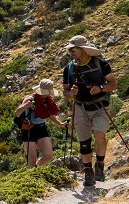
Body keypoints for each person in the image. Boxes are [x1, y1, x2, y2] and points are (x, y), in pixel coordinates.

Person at [62, 34, 117, 188]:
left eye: (74, 49)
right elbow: (65, 92)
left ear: (84, 50)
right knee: (84, 142)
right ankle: (88, 172)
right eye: (70, 49)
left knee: (99, 135)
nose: (71, 52)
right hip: (80, 107)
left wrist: (100, 88)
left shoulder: (101, 64)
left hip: (100, 105)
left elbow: (113, 84)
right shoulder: (69, 69)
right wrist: (70, 93)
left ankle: (99, 164)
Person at [16, 79, 62, 167]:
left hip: (41, 128)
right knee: (31, 159)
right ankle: (31, 176)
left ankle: (36, 168)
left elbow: (49, 115)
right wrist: (25, 106)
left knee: (48, 155)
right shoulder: (30, 98)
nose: (48, 94)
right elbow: (17, 113)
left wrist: (61, 124)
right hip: (29, 129)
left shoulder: (47, 100)